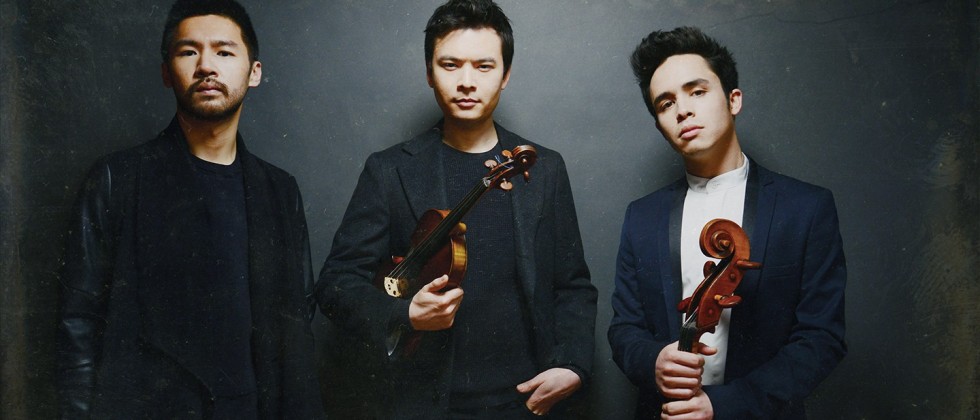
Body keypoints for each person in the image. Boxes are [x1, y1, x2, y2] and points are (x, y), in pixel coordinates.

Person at [315, 0, 597, 418]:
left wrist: (573, 365)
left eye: (484, 66)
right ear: (429, 73)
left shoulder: (545, 168)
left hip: (524, 401)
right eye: (450, 65)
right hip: (423, 405)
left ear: (506, 76)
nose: (467, 81)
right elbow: (336, 284)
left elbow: (572, 285)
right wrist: (404, 312)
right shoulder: (389, 169)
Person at [56, 0, 324, 418]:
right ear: (167, 72)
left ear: (254, 72)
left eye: (224, 51)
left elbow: (299, 315)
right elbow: (77, 326)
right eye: (188, 51)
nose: (206, 66)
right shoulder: (117, 178)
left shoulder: (279, 189)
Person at [607, 27, 847, 419]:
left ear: (733, 100)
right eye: (666, 104)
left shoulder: (807, 207)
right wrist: (653, 361)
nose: (682, 110)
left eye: (697, 92)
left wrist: (724, 406)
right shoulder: (642, 216)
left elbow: (822, 339)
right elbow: (624, 330)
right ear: (659, 125)